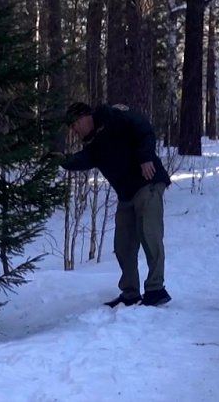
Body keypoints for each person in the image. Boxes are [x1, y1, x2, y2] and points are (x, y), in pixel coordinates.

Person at [57, 102, 172, 307]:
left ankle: (156, 290)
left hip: (148, 183)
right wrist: (63, 161)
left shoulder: (114, 116)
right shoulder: (93, 144)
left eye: (74, 125)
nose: (74, 131)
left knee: (149, 235)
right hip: (126, 194)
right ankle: (130, 293)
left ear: (83, 117)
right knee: (123, 245)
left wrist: (145, 157)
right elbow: (85, 159)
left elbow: (144, 130)